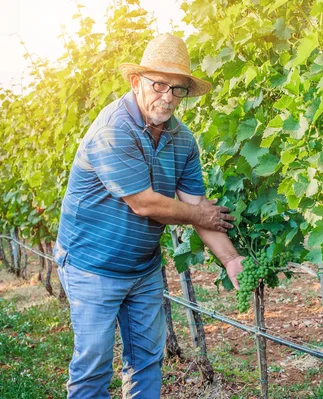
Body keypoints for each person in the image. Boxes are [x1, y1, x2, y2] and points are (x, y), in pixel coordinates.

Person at [54, 33, 244, 399]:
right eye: (159, 84)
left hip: (142, 268)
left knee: (146, 360)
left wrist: (233, 259)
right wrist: (196, 214)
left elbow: (197, 206)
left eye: (178, 89)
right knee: (93, 365)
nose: (168, 97)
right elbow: (146, 204)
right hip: (91, 266)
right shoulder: (114, 129)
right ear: (135, 81)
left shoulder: (183, 140)